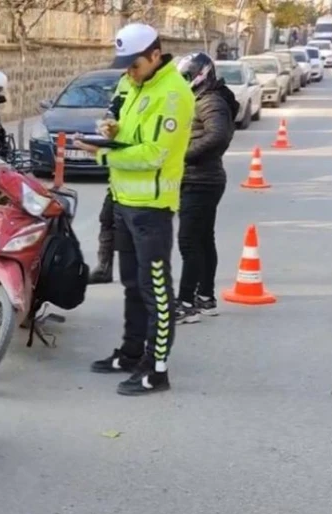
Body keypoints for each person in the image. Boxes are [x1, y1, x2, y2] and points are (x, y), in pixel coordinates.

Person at [74, 23, 195, 396]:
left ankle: (157, 369)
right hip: (124, 200)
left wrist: (104, 152)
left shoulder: (174, 94)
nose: (128, 70)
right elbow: (124, 125)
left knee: (154, 288)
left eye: (135, 63)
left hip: (152, 208)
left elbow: (155, 153)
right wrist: (109, 129)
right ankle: (130, 353)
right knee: (130, 284)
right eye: (124, 64)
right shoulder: (132, 83)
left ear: (156, 55)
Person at [173, 53, 238, 324]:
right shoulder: (200, 99)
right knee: (202, 239)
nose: (185, 81)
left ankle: (187, 302)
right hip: (200, 178)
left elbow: (218, 135)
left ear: (202, 74)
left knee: (189, 241)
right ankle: (206, 297)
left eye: (188, 76)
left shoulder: (210, 100)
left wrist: (182, 155)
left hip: (202, 180)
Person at [88, 73, 131, 285]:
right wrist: (108, 124)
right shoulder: (125, 80)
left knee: (135, 229)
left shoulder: (157, 90)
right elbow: (113, 109)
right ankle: (104, 268)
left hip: (140, 169)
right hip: (119, 172)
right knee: (107, 219)